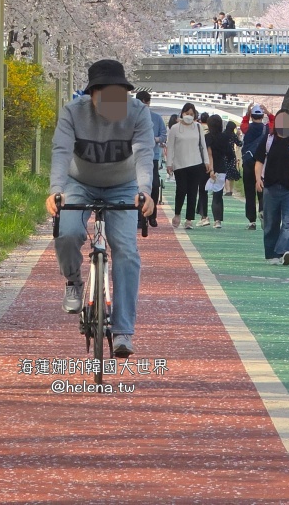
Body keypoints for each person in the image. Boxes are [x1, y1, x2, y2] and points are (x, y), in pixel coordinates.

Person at [47, 58, 154, 358]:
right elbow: (61, 151)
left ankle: (123, 332)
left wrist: (145, 192)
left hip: (123, 184)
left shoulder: (138, 113)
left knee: (126, 250)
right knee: (67, 232)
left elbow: (145, 154)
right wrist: (56, 190)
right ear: (91, 94)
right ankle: (73, 280)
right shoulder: (72, 113)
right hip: (79, 181)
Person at [255, 109, 289, 265]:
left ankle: (285, 252)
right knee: (271, 222)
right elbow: (259, 161)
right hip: (270, 187)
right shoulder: (268, 140)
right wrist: (258, 179)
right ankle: (272, 255)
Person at [166, 102, 211, 229]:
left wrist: (206, 161)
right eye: (187, 113)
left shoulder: (198, 127)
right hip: (180, 165)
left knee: (193, 191)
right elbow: (170, 147)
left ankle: (189, 219)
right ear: (182, 113)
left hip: (196, 163)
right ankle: (177, 214)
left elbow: (203, 145)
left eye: (191, 114)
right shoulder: (175, 128)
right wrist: (169, 164)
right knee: (181, 190)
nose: (189, 116)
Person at [135, 90, 167, 227]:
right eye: (141, 103)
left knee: (153, 185)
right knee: (136, 187)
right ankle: (138, 217)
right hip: (133, 157)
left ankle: (152, 215)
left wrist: (155, 139)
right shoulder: (130, 117)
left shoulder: (157, 118)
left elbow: (164, 136)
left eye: (146, 103)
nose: (144, 105)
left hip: (152, 156)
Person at [241, 104, 267, 229]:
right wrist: (268, 112)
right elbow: (273, 121)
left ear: (252, 116)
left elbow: (243, 124)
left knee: (249, 191)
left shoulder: (247, 128)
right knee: (262, 188)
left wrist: (247, 114)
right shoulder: (267, 129)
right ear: (262, 116)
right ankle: (262, 210)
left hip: (248, 161)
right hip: (262, 162)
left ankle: (252, 221)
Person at [204, 114, 231, 226]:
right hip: (221, 167)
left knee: (203, 192)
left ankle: (203, 216)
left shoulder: (207, 137)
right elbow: (230, 154)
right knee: (218, 195)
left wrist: (211, 169)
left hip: (207, 167)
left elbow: (207, 153)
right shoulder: (224, 137)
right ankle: (217, 220)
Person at [222, 119, 242, 195]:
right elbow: (239, 144)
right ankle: (230, 190)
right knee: (232, 172)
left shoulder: (223, 134)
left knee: (226, 173)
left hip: (224, 155)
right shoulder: (233, 135)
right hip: (231, 155)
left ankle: (227, 190)